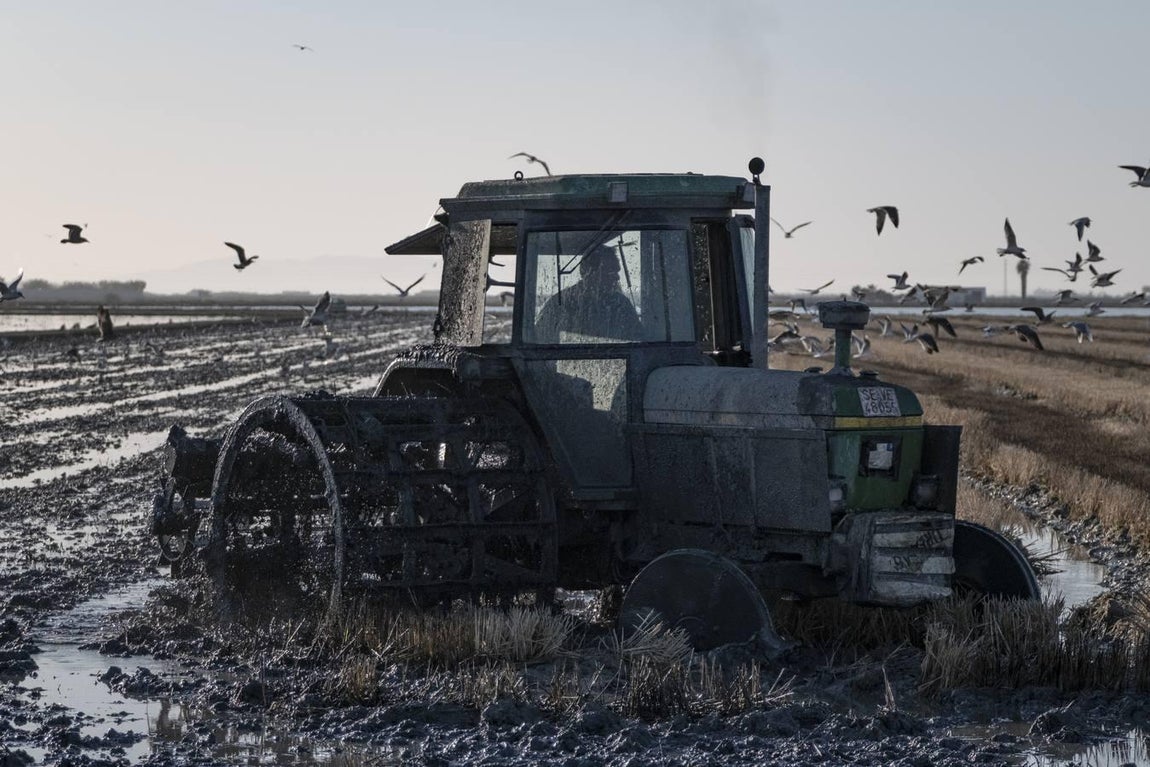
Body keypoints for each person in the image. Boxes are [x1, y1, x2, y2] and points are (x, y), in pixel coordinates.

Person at [534, 245, 643, 342]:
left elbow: (639, 341)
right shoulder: (560, 304)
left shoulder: (621, 305)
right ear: (589, 272)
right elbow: (540, 343)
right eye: (611, 272)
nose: (617, 277)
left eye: (617, 272)